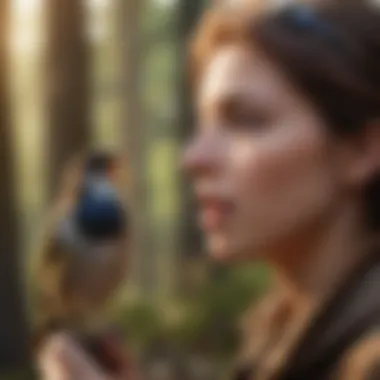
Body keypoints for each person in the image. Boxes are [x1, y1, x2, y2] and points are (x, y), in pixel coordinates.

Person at [38, 0, 380, 379]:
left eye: (246, 121)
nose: (193, 159)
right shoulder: (279, 342)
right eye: (202, 126)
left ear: (363, 149)